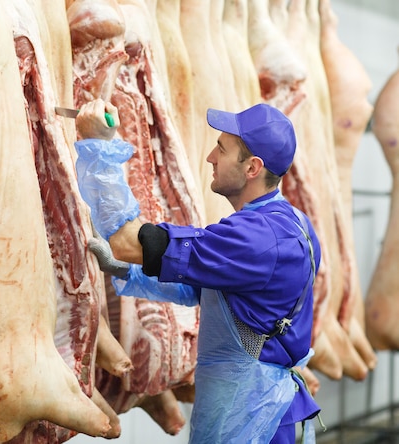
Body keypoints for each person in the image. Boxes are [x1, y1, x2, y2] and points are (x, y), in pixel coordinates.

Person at [73, 98, 322, 443]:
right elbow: (210, 288)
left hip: (248, 416)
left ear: (252, 168)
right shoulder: (289, 223)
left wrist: (99, 148)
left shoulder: (259, 238)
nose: (210, 157)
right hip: (253, 408)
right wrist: (126, 272)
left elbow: (128, 240)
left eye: (221, 148)